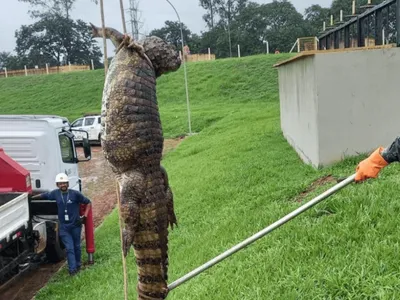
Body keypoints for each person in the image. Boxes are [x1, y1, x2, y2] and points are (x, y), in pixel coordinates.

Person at [32, 173, 92, 275]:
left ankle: (78, 265)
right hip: (64, 227)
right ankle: (72, 270)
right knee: (69, 248)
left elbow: (88, 202)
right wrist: (31, 198)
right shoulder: (55, 194)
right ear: (57, 185)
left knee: (77, 246)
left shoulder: (75, 194)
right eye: (60, 183)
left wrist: (85, 216)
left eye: (64, 183)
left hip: (75, 225)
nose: (62, 185)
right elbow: (44, 195)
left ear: (67, 183)